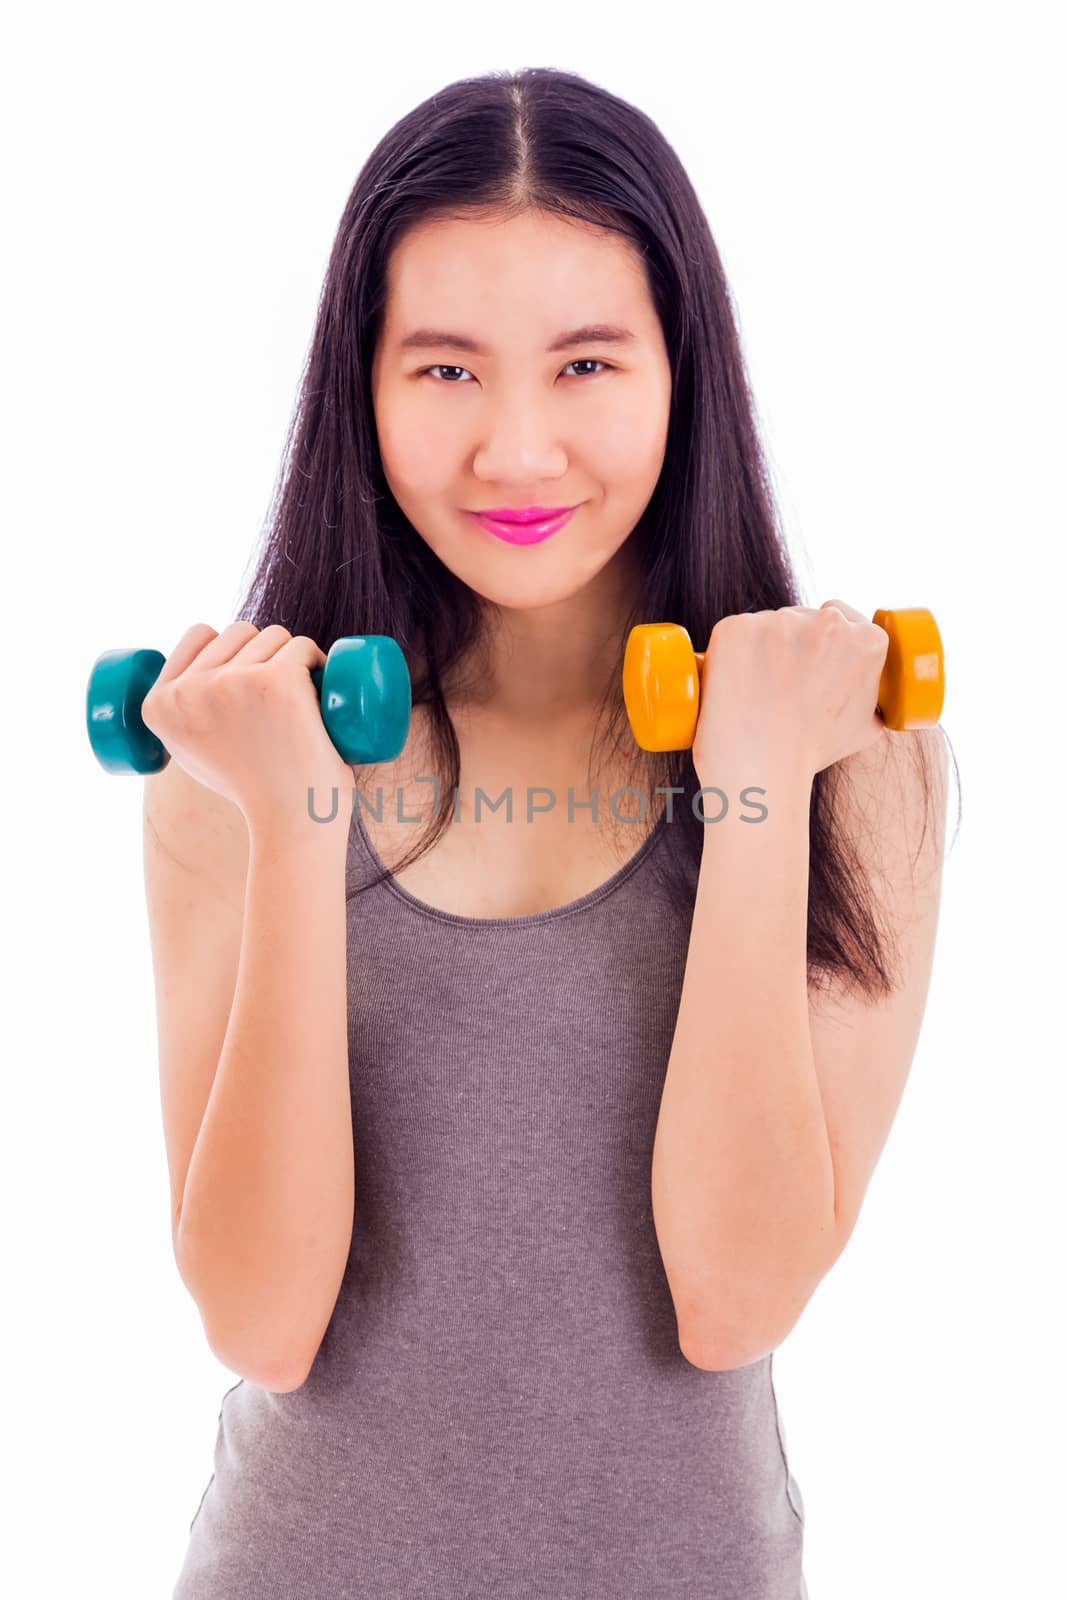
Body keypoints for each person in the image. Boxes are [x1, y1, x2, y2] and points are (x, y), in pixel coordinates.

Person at [145, 66, 955, 1600]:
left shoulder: (857, 764)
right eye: (444, 372)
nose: (518, 451)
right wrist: (298, 821)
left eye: (587, 364)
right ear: (362, 388)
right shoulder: (237, 768)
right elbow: (262, 1322)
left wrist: (759, 786)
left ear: (681, 376)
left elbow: (734, 1297)